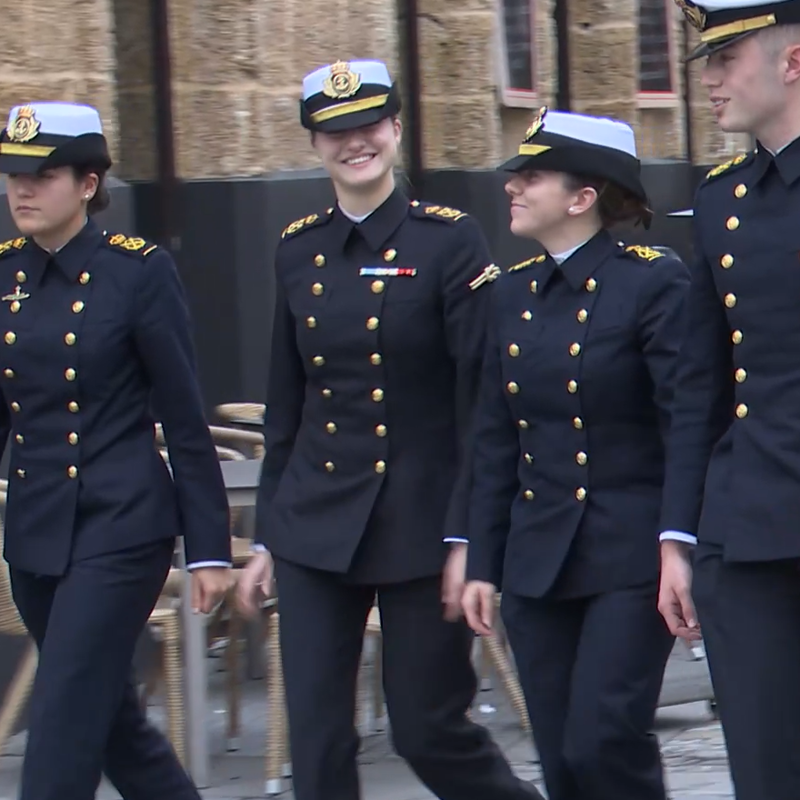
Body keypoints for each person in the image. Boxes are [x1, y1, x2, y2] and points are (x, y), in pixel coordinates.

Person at [236, 59, 543, 800]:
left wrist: (471, 536)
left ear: (397, 129)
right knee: (316, 736)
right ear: (315, 144)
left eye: (368, 125)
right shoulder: (297, 247)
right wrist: (269, 538)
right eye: (335, 132)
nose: (354, 143)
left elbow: (482, 402)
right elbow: (288, 403)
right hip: (315, 521)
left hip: (422, 523)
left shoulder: (450, 241)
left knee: (427, 729)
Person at [0, 101, 232, 800]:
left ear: (89, 184)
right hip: (38, 531)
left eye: (43, 174)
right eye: (13, 174)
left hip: (122, 523)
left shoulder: (137, 272)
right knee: (110, 724)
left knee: (64, 717)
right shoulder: (5, 274)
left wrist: (211, 547)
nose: (22, 189)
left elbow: (185, 416)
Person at [462, 108, 690, 800]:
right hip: (538, 558)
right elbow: (497, 436)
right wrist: (481, 561)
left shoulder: (652, 283)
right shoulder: (507, 294)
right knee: (562, 757)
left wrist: (679, 541)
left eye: (531, 177)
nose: (513, 189)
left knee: (605, 740)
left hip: (628, 551)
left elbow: (685, 423)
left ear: (583, 197)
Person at [658, 2, 800, 798]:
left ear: (793, 61)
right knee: (763, 769)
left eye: (727, 57)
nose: (708, 79)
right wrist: (680, 534)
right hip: (747, 529)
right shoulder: (720, 201)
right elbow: (701, 383)